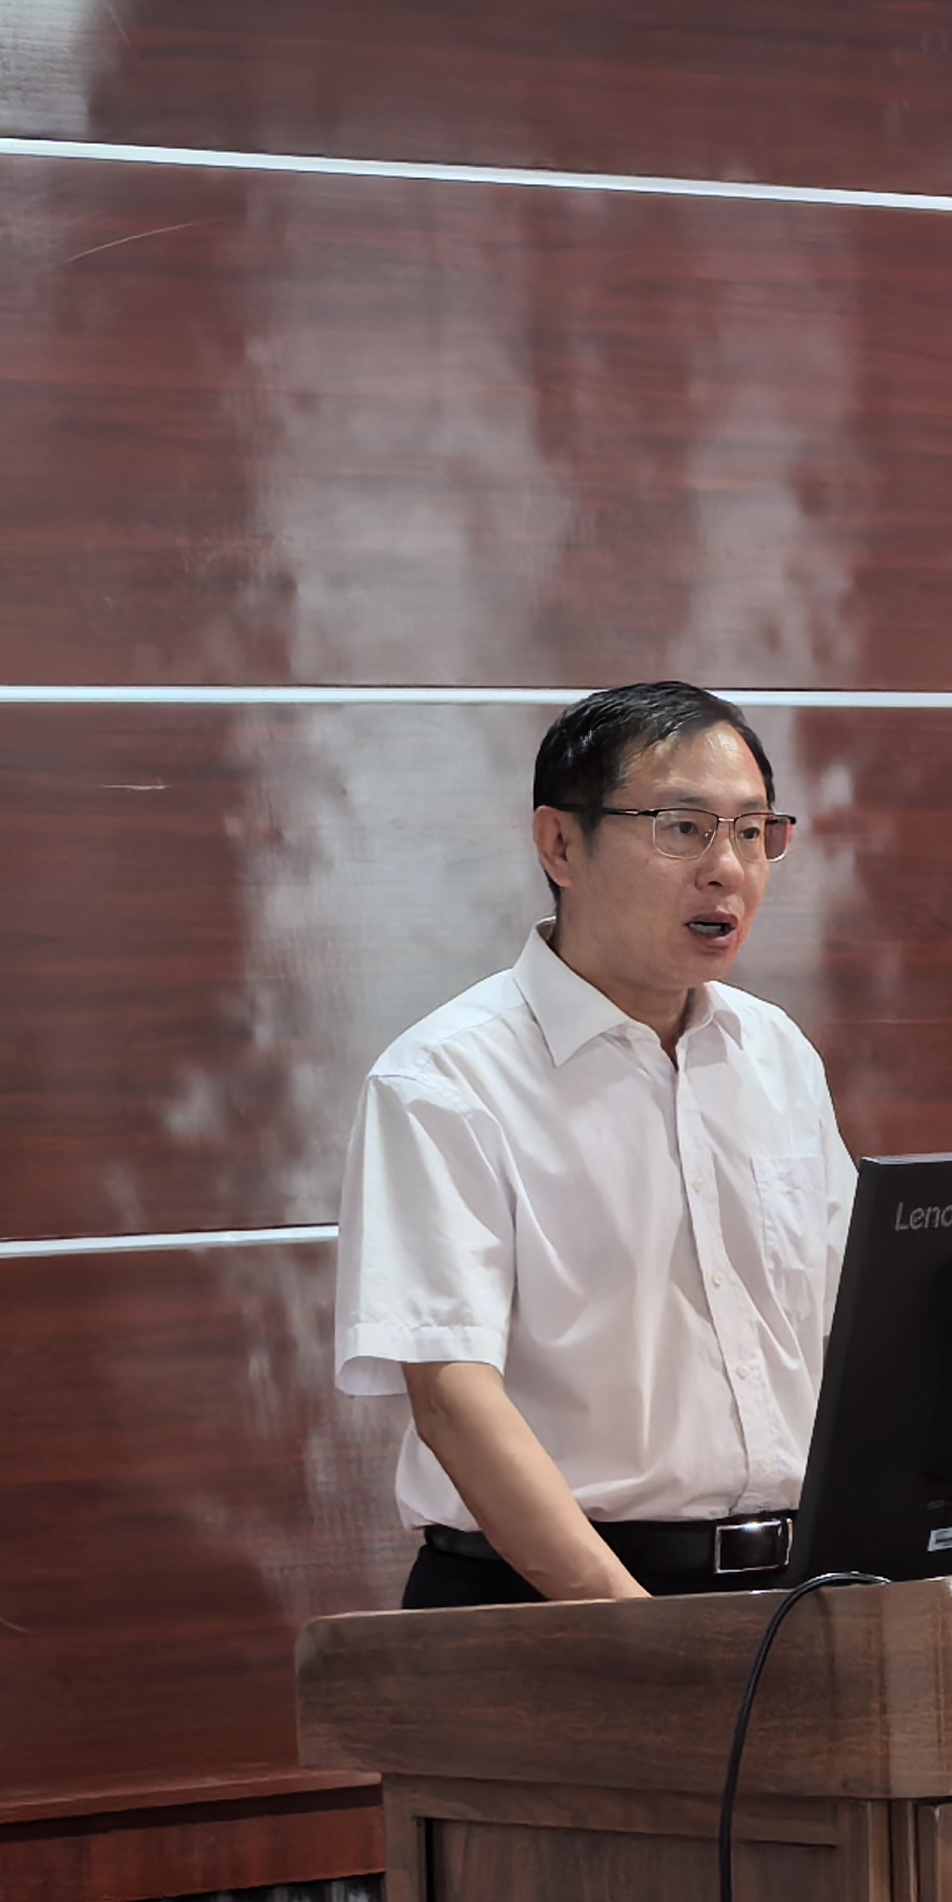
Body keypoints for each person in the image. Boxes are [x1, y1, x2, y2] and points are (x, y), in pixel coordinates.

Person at [334, 681, 855, 1607]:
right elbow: (453, 1398)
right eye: (682, 828)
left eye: (751, 831)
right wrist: (632, 1628)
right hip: (548, 1605)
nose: (727, 869)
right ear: (560, 845)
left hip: (788, 1593)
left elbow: (849, 1328)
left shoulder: (776, 1054)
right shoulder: (446, 1079)